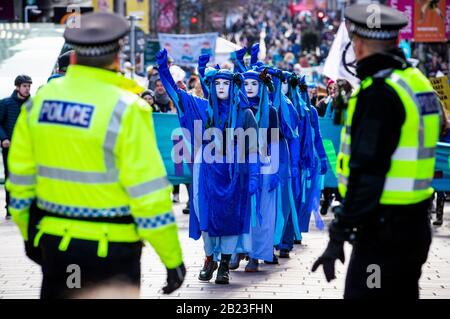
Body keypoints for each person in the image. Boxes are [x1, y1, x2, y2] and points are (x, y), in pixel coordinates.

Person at [6, 13, 185, 299]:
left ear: (73, 59)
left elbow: (19, 183)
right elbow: (148, 195)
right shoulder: (128, 110)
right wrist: (171, 259)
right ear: (116, 57)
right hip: (112, 251)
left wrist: (30, 237)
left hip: (56, 244)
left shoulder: (37, 105)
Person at [312, 4, 441, 299]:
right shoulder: (416, 82)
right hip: (414, 224)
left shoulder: (379, 93)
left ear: (357, 45)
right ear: (396, 41)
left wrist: (338, 234)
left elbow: (367, 172)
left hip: (382, 232)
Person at [157, 48, 258, 285]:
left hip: (234, 173)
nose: (222, 87)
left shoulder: (244, 114)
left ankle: (224, 264)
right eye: (218, 83)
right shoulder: (202, 108)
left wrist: (252, 176)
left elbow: (253, 149)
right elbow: (176, 94)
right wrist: (163, 70)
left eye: (226, 83)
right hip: (206, 172)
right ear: (211, 86)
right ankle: (209, 258)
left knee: (230, 217)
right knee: (205, 215)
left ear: (233, 86)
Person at [0, 74, 32, 219]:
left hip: (29, 148)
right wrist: (4, 138)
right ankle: (10, 209)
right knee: (10, 178)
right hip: (10, 147)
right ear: (17, 87)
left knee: (30, 178)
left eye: (29, 86)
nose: (27, 89)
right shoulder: (5, 103)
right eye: (24, 86)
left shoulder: (33, 104)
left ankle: (28, 208)